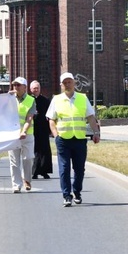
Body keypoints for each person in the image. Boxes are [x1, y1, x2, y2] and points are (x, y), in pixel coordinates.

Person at [47, 72, 101, 207]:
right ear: (61, 85)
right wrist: (55, 134)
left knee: (79, 169)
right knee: (64, 168)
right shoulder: (56, 99)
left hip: (79, 139)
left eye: (69, 81)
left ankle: (77, 191)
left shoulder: (83, 98)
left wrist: (96, 132)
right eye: (64, 82)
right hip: (63, 139)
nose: (67, 84)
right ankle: (66, 195)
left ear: (74, 83)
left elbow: (90, 117)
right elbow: (51, 119)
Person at [8, 77, 36, 192]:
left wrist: (24, 131)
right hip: (13, 135)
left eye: (18, 85)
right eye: (14, 85)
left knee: (28, 158)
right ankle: (16, 184)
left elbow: (29, 119)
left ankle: (27, 180)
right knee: (14, 161)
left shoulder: (31, 100)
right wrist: (4, 97)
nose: (16, 87)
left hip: (27, 135)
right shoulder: (9, 99)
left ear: (25, 87)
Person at [29, 80, 53, 179]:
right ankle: (34, 171)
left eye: (37, 88)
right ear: (30, 89)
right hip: (32, 128)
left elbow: (50, 114)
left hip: (43, 128)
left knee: (44, 150)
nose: (36, 90)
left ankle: (44, 171)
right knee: (34, 150)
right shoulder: (28, 100)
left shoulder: (45, 100)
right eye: (34, 88)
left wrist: (51, 129)